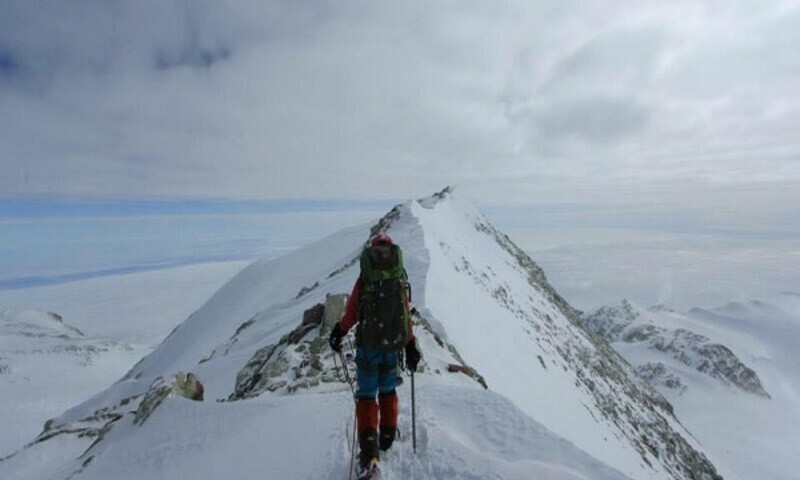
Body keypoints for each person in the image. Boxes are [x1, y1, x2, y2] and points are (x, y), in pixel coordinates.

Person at [329, 233, 422, 477]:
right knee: (388, 390)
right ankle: (388, 437)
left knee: (367, 395)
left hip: (368, 346)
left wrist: (339, 332)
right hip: (392, 346)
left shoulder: (365, 279)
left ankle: (369, 454)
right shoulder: (398, 279)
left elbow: (351, 313)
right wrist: (410, 344)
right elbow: (404, 315)